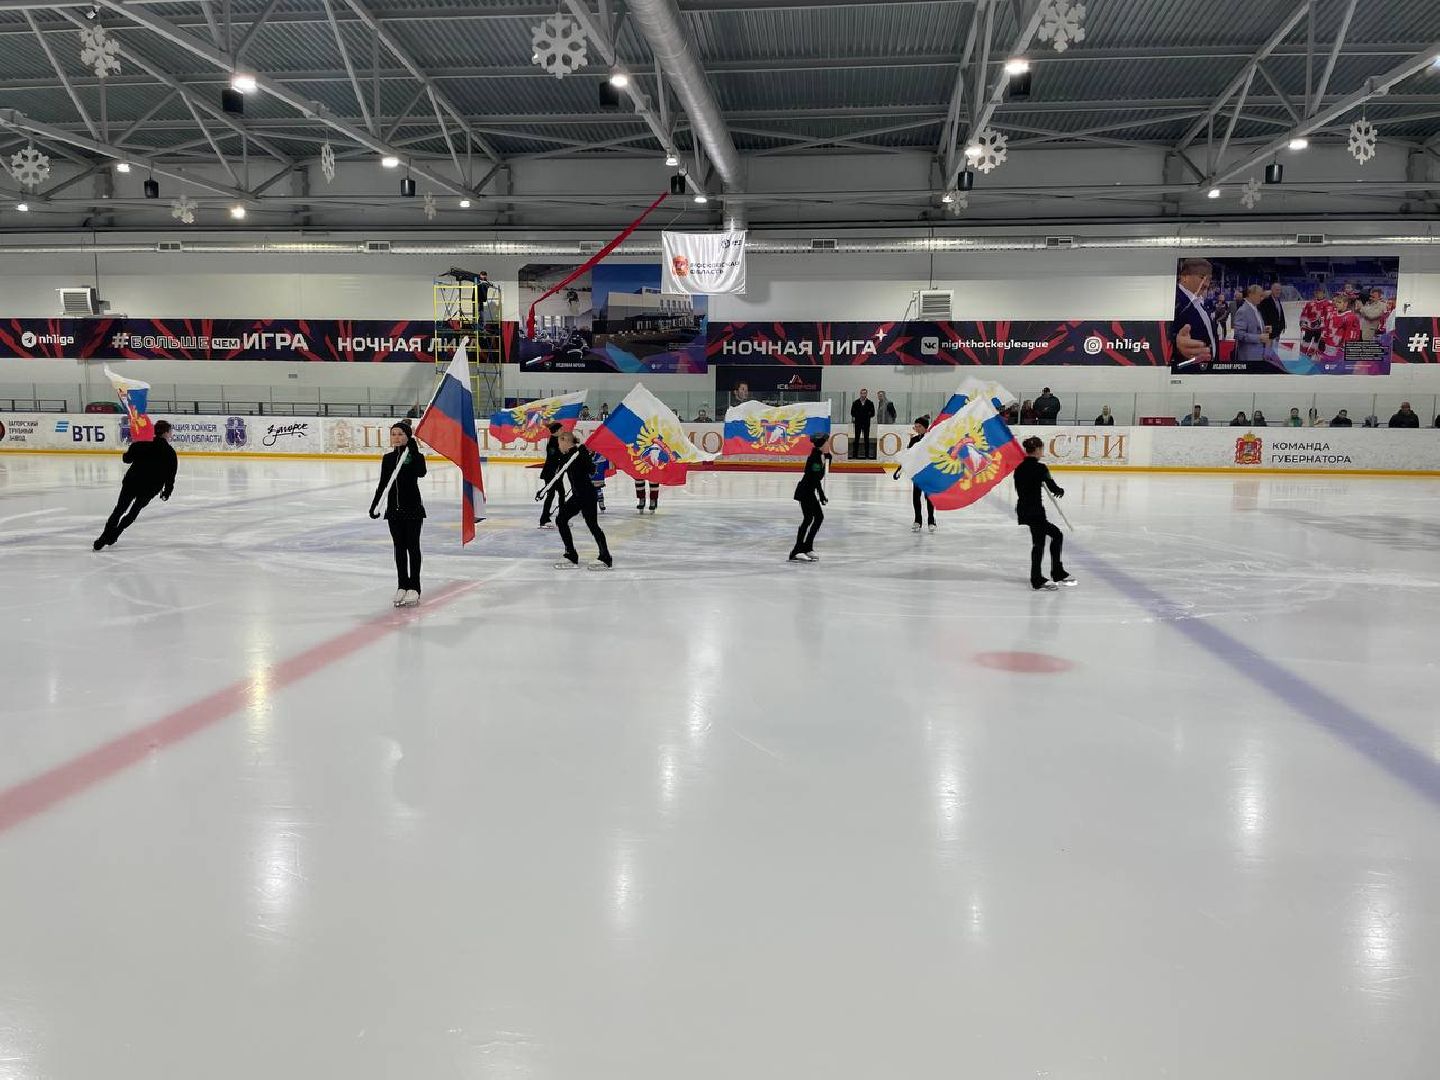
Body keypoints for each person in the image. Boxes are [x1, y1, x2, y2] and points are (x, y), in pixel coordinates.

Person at [93, 419, 178, 550]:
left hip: (132, 483)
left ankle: (103, 537)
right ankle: (115, 533)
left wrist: (128, 453)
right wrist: (167, 492)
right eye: (170, 432)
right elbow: (170, 475)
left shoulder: (139, 446)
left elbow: (126, 459)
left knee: (119, 510)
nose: (171, 434)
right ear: (166, 433)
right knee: (134, 511)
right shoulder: (170, 453)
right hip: (150, 488)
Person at [368, 420, 427, 607]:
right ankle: (402, 585)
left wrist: (414, 452)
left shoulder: (416, 456)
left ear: (408, 436)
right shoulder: (387, 458)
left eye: (401, 434)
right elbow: (383, 484)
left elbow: (421, 472)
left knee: (412, 547)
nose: (397, 437)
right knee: (399, 548)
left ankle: (414, 587)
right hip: (393, 510)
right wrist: (375, 505)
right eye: (394, 434)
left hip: (413, 509)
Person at [540, 430, 612, 569]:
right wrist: (544, 489)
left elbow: (592, 469)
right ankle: (571, 554)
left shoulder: (579, 453)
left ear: (566, 441)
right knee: (561, 519)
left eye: (560, 442)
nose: (559, 445)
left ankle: (605, 557)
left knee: (593, 526)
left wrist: (584, 454)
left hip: (587, 495)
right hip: (577, 495)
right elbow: (557, 474)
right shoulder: (567, 456)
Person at [1013, 435, 1073, 591]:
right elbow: (1054, 488)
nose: (1042, 452)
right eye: (1042, 449)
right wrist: (1060, 491)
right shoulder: (1041, 468)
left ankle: (1055, 572)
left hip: (1023, 509)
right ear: (1038, 450)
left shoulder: (1019, 469)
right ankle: (1039, 578)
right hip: (1035, 511)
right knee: (1043, 542)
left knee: (1051, 536)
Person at [789, 433, 830, 562]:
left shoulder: (821, 456)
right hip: (806, 491)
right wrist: (822, 495)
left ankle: (807, 547)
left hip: (809, 491)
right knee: (809, 519)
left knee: (816, 518)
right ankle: (797, 551)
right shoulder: (815, 458)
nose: (829, 444)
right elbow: (814, 479)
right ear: (821, 445)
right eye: (827, 442)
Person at [1171, 257, 1218, 366]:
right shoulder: (1173, 299)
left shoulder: (1200, 303)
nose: (1206, 284)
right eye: (1202, 277)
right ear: (1184, 277)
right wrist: (1175, 343)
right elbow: (1157, 332)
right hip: (1185, 371)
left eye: (1209, 279)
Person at [894, 418, 936, 532]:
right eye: (915, 426)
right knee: (916, 496)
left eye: (918, 426)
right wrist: (899, 470)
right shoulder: (914, 440)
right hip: (917, 473)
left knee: (929, 498)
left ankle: (931, 520)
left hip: (929, 474)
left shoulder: (931, 439)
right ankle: (918, 520)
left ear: (924, 427)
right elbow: (908, 456)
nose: (916, 428)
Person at [1233, 284, 1272, 365]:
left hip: (1259, 355)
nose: (1262, 298)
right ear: (1251, 294)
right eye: (1260, 295)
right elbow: (1238, 334)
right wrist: (1259, 337)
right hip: (1248, 357)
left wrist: (1264, 329)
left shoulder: (1256, 309)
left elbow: (1254, 329)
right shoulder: (1243, 311)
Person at [537, 421, 563, 528]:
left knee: (561, 493)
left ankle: (562, 518)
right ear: (556, 431)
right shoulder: (552, 443)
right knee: (551, 495)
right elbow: (553, 459)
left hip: (557, 474)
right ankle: (544, 519)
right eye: (561, 429)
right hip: (550, 474)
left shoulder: (558, 440)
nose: (563, 431)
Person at [1299, 286, 1329, 359]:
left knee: (1316, 343)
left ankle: (1310, 355)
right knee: (1306, 343)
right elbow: (1304, 314)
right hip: (1309, 328)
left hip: (1321, 329)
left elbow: (1329, 317)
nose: (1319, 294)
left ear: (1324, 294)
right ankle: (1302, 356)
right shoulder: (1310, 303)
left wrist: (1326, 328)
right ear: (1315, 294)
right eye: (1317, 293)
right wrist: (1303, 326)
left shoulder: (1328, 304)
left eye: (1320, 293)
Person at [1256, 280, 1287, 346]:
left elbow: (1280, 313)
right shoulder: (1266, 300)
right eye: (1276, 290)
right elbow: (1263, 315)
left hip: (1277, 331)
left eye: (1279, 290)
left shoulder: (1277, 300)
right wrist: (1267, 333)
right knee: (1268, 351)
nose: (1278, 292)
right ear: (1271, 290)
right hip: (1269, 332)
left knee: (1275, 351)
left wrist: (1283, 325)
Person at [850, 389, 876, 460]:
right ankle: (854, 455)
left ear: (866, 394)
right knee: (856, 439)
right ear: (860, 394)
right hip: (858, 423)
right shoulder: (855, 402)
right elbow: (852, 412)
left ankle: (867, 456)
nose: (863, 395)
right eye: (862, 393)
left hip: (866, 423)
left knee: (866, 439)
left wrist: (866, 415)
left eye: (864, 393)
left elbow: (873, 413)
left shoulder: (870, 403)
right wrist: (858, 416)